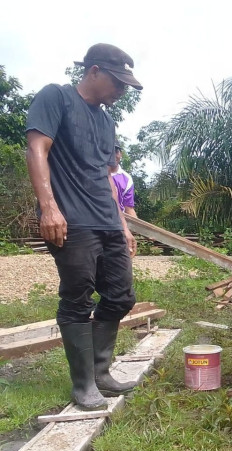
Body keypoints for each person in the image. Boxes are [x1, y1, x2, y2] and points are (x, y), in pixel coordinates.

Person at [25, 43, 143, 410]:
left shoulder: (107, 121)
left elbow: (107, 177)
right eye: (118, 82)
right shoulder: (56, 98)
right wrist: (49, 207)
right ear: (93, 71)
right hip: (71, 220)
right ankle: (83, 384)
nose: (122, 90)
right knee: (77, 299)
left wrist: (122, 224)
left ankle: (101, 372)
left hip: (107, 221)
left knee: (121, 295)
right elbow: (37, 150)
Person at [110, 143, 137, 216]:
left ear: (120, 154)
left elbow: (128, 208)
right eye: (109, 151)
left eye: (116, 152)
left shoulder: (127, 179)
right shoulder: (95, 173)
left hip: (118, 222)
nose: (113, 155)